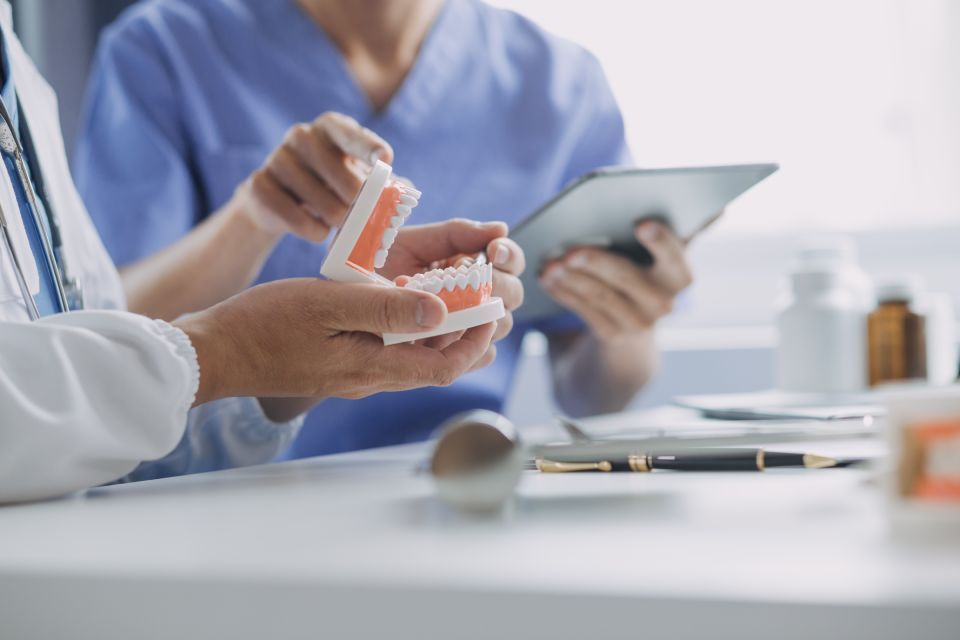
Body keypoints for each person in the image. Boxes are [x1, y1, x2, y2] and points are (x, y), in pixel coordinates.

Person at [76, 0, 695, 456]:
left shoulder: (561, 83)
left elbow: (594, 395)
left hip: (456, 479)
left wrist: (626, 318)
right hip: (225, 492)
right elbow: (106, 341)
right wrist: (255, 216)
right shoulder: (164, 46)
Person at [0, 2, 518, 503]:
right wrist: (234, 351)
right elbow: (114, 369)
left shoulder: (23, 81)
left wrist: (294, 369)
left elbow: (109, 394)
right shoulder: (166, 44)